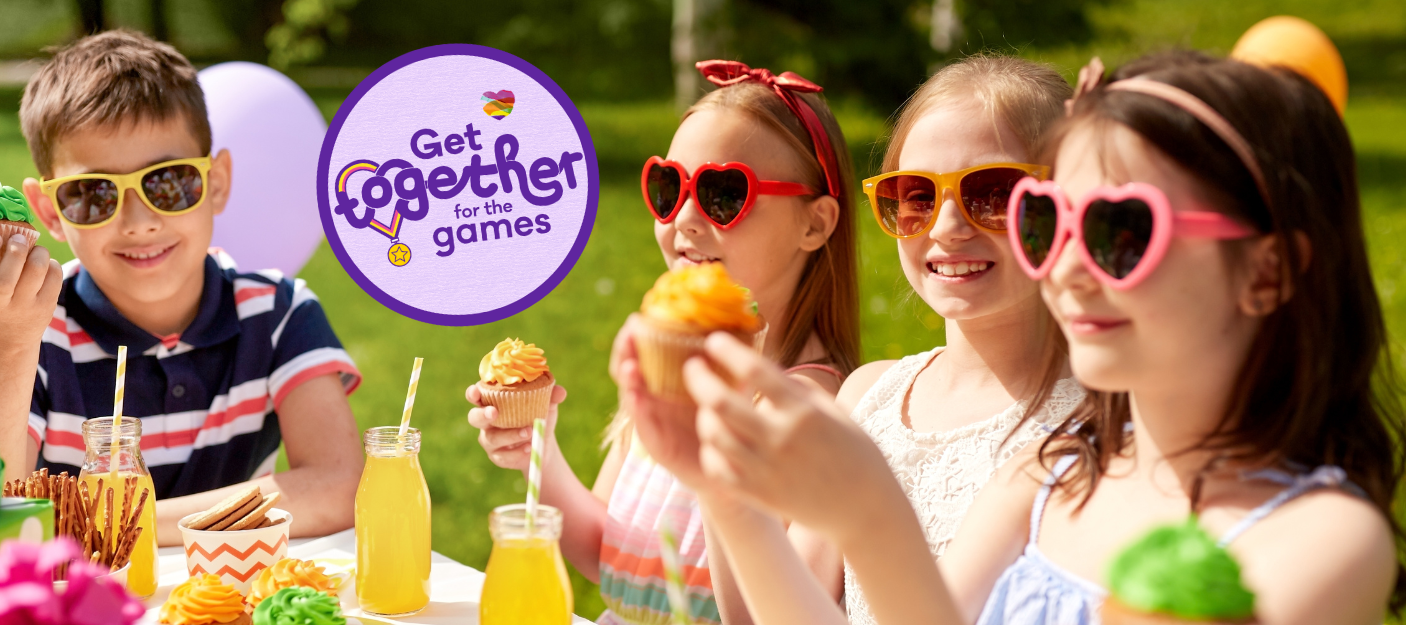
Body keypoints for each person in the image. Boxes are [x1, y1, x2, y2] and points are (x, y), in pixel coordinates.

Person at [634, 51, 1405, 625]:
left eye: (1118, 229)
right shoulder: (1054, 472)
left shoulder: (1329, 542)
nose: (1063, 264)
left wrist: (872, 515)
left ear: (1268, 273)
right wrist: (720, 489)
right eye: (1051, 220)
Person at [466, 60, 860, 625]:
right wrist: (540, 453)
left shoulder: (809, 413)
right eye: (669, 187)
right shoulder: (669, 367)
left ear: (816, 225)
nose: (687, 219)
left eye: (725, 194)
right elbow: (615, 559)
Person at [0, 30, 364, 545]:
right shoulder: (28, 331)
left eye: (168, 181)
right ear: (49, 211)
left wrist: (119, 524)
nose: (139, 221)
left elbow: (338, 486)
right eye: (92, 194)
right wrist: (6, 341)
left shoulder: (278, 313)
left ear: (215, 184)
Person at [830, 56, 1078, 624]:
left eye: (992, 194)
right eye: (916, 195)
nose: (946, 226)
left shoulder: (1097, 424)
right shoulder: (867, 399)